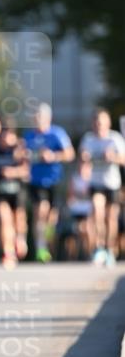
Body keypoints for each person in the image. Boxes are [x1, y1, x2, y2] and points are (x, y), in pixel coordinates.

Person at [23, 103, 74, 263]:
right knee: (40, 211)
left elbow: (70, 154)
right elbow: (21, 154)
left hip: (55, 180)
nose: (37, 120)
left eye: (40, 116)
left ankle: (47, 244)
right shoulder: (28, 136)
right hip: (36, 181)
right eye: (35, 116)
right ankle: (40, 247)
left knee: (51, 219)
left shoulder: (57, 133)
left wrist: (53, 156)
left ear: (48, 118)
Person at [79, 109, 125, 266]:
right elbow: (83, 162)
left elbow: (124, 159)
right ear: (93, 124)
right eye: (97, 122)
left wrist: (113, 157)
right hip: (95, 183)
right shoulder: (88, 139)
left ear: (108, 123)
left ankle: (110, 249)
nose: (99, 125)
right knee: (98, 213)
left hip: (112, 183)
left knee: (111, 218)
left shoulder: (115, 138)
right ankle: (99, 247)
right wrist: (84, 161)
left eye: (102, 122)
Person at [0, 120, 29, 268]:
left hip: (17, 191)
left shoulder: (19, 148)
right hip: (0, 191)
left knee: (18, 221)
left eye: (8, 134)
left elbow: (26, 172)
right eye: (2, 134)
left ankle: (20, 238)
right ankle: (7, 252)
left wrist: (12, 172)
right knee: (4, 220)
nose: (5, 138)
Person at [62, 156, 95, 261]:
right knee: (74, 231)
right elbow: (70, 195)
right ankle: (72, 256)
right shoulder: (74, 178)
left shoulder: (93, 179)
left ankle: (90, 252)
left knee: (87, 229)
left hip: (88, 209)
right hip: (76, 210)